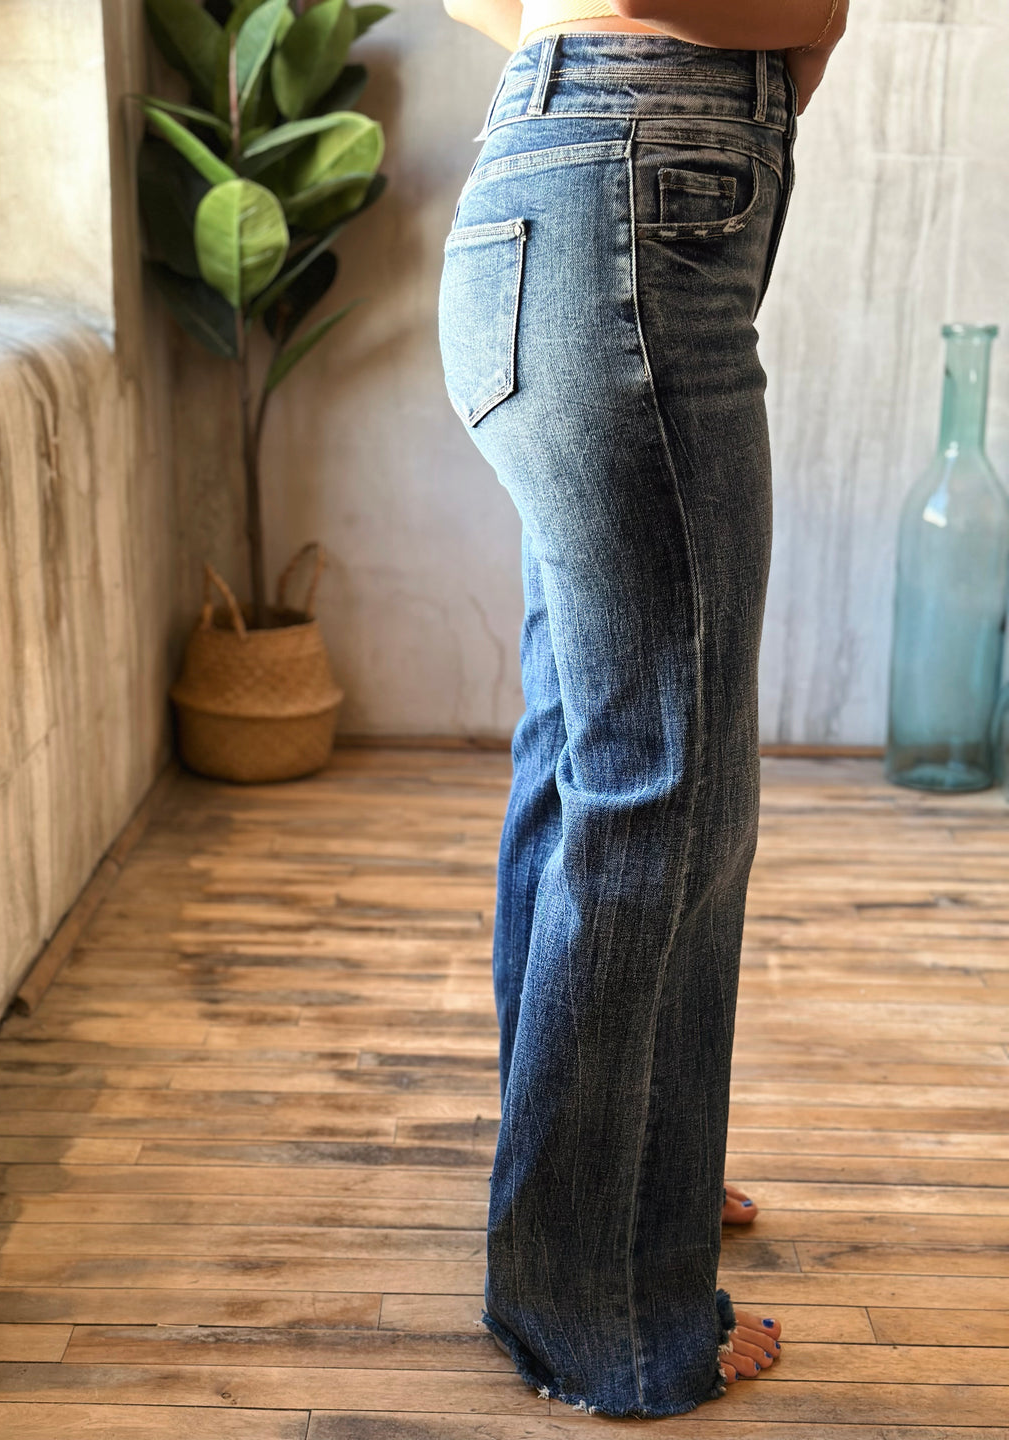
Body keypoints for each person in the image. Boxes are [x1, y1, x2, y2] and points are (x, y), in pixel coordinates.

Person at [436, 0, 847, 1420]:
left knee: (593, 760)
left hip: (569, 180)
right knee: (665, 785)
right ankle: (598, 1302)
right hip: (630, 187)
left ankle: (611, 1178)